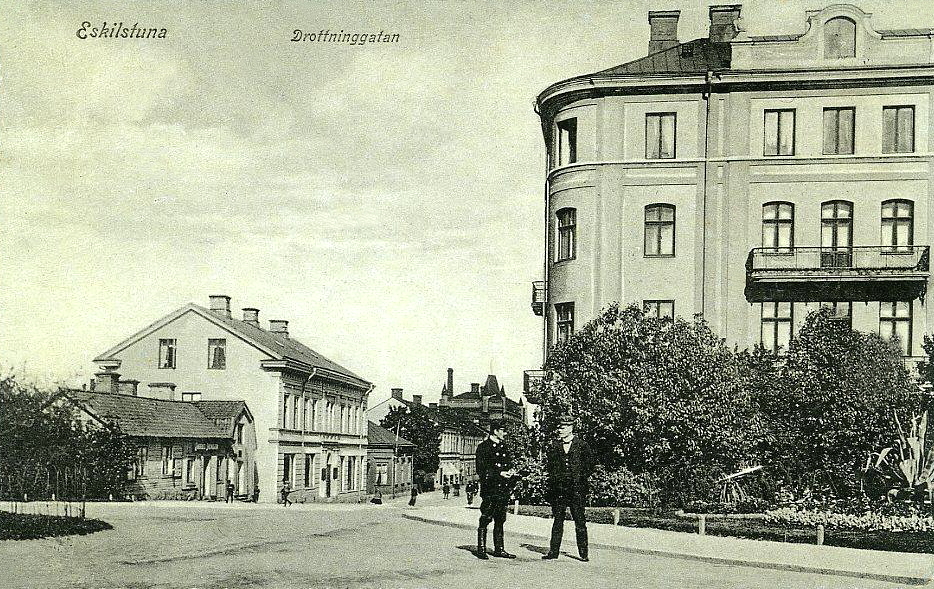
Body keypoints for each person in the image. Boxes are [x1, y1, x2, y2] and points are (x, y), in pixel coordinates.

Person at [542, 416, 594, 562]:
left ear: (571, 428)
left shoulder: (582, 445)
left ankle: (583, 553)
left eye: (563, 427)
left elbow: (589, 465)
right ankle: (553, 552)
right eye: (559, 427)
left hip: (576, 490)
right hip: (559, 490)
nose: (560, 430)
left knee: (580, 521)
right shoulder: (554, 446)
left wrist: (579, 478)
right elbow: (550, 466)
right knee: (558, 521)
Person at [475, 420, 518, 560]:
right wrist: (499, 473)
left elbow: (509, 463)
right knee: (486, 517)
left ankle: (499, 549)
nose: (505, 434)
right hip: (490, 489)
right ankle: (481, 549)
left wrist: (511, 471)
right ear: (495, 431)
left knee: (500, 519)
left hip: (503, 489)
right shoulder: (483, 447)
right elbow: (481, 470)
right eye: (503, 430)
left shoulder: (504, 447)